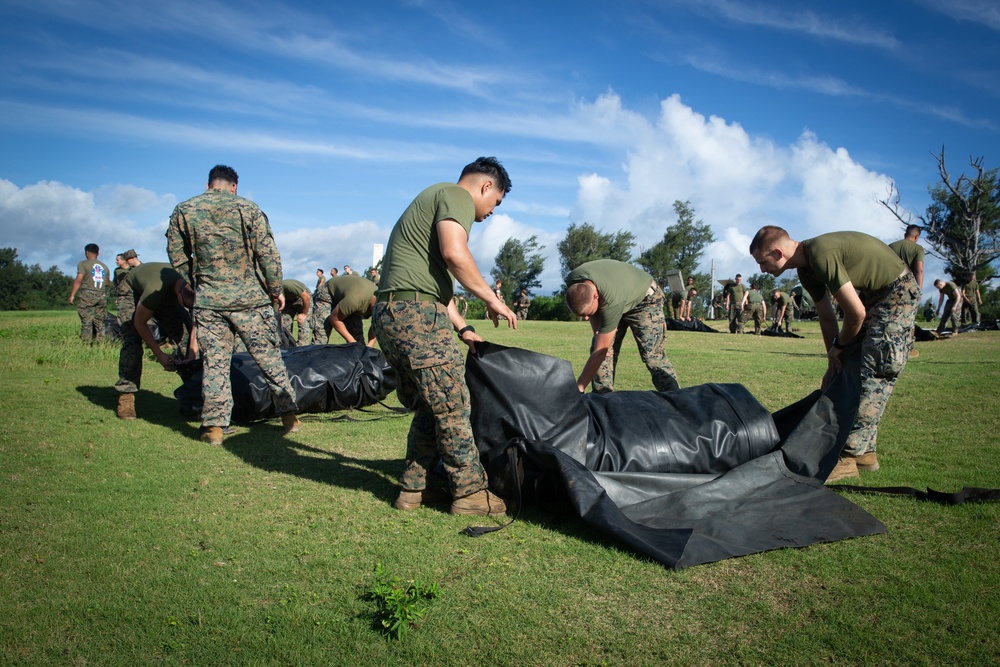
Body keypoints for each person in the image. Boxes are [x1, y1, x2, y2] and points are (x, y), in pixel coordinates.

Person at [372, 156, 516, 516]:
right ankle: (470, 494)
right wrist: (491, 298)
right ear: (485, 187)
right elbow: (455, 252)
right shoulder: (456, 196)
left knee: (429, 403)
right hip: (415, 316)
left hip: (394, 313)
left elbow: (432, 285)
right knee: (453, 404)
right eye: (495, 203)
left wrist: (464, 328)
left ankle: (415, 489)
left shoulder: (432, 199)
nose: (491, 213)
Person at [750, 226, 919, 483]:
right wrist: (834, 358)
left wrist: (839, 346)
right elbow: (828, 317)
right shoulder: (806, 270)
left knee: (873, 371)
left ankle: (849, 456)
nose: (762, 269)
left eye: (763, 262)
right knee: (848, 368)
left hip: (896, 292)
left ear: (778, 251)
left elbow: (857, 313)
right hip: (874, 295)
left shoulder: (820, 253)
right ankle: (866, 453)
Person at [166, 164, 300, 446]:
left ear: (208, 185)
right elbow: (268, 253)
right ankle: (289, 417)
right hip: (250, 299)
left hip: (209, 302)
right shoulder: (249, 209)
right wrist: (275, 290)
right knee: (269, 359)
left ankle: (214, 428)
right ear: (234, 186)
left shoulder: (184, 210)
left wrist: (196, 281)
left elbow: (176, 254)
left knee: (215, 364)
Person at [566, 259, 679, 394]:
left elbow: (600, 352)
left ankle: (675, 399)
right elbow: (593, 313)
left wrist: (579, 387)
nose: (585, 318)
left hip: (645, 301)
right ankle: (602, 401)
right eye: (581, 315)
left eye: (587, 314)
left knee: (652, 357)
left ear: (596, 296)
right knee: (601, 349)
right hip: (617, 295)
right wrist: (597, 333)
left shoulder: (610, 302)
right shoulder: (573, 282)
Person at [114, 262, 196, 420]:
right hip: (132, 290)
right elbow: (140, 324)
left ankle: (194, 394)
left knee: (185, 338)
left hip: (168, 292)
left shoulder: (193, 285)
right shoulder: (155, 289)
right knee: (133, 342)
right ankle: (126, 396)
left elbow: (195, 326)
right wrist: (159, 354)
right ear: (178, 296)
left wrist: (191, 356)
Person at [68, 243, 110, 344]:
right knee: (100, 322)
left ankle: (86, 344)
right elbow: (108, 283)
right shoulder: (104, 266)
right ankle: (101, 344)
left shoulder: (83, 264)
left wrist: (72, 295)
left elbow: (79, 280)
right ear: (98, 253)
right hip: (101, 295)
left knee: (87, 321)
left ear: (87, 252)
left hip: (87, 295)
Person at [325, 273, 377, 345]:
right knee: (321, 337)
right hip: (329, 292)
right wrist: (351, 341)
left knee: (358, 343)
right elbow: (334, 318)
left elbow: (376, 325)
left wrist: (369, 346)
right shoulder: (355, 300)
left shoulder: (383, 303)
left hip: (350, 298)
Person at [888, 224, 925, 291]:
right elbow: (919, 271)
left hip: (887, 286)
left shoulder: (890, 246)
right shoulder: (918, 249)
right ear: (916, 237)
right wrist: (919, 291)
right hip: (906, 288)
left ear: (905, 234)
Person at [279, 279, 312, 346]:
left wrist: (304, 314)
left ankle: (302, 347)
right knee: (284, 323)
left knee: (302, 321)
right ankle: (289, 345)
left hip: (302, 299)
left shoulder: (289, 285)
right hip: (288, 301)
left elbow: (306, 297)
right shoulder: (272, 292)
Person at [311, 269, 333, 344]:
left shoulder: (322, 277)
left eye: (318, 272)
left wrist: (318, 289)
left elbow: (321, 282)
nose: (317, 273)